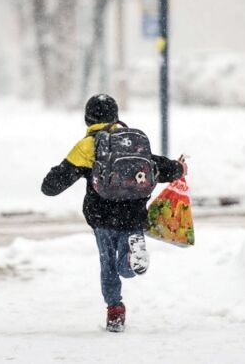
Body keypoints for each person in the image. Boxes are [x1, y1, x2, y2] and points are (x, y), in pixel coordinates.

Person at [41, 94, 186, 332]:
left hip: (102, 216)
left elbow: (52, 186)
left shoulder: (87, 146)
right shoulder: (133, 141)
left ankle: (115, 311)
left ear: (88, 118)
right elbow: (157, 166)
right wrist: (179, 167)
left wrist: (55, 176)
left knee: (108, 264)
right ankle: (131, 258)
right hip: (134, 213)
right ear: (116, 115)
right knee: (125, 264)